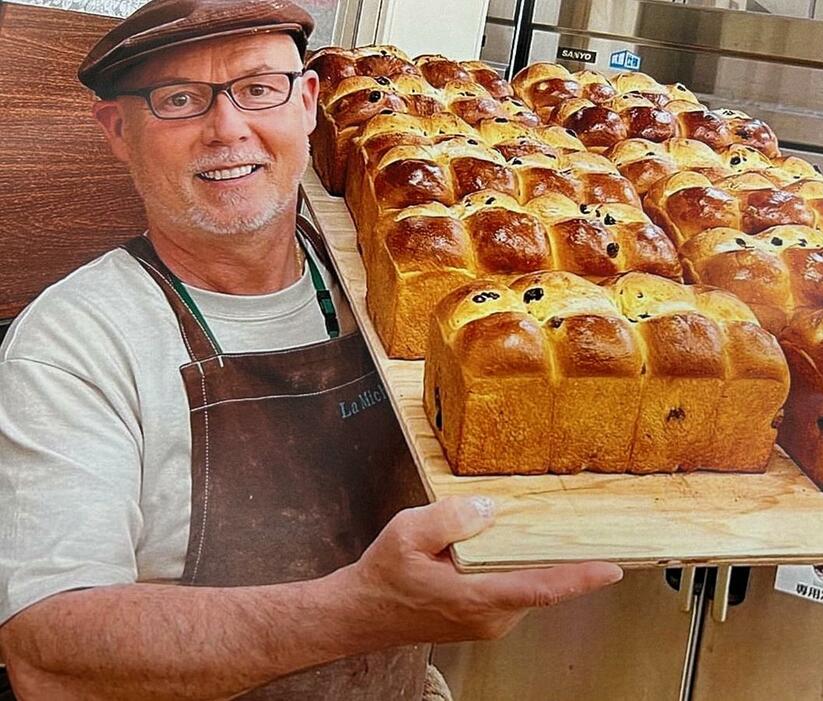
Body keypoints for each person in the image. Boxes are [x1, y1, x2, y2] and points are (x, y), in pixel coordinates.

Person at [0, 0, 624, 698]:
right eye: (178, 100)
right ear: (118, 131)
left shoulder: (386, 281)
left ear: (308, 103)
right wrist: (356, 611)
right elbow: (48, 649)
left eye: (259, 88)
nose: (228, 129)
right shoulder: (77, 340)